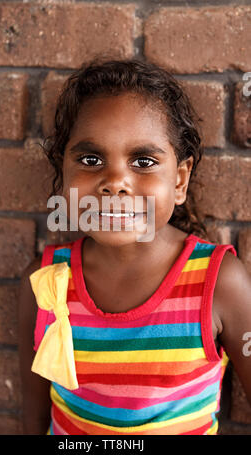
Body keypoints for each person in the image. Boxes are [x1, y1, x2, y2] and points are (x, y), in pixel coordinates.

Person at [18, 58, 251, 435]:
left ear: (179, 180)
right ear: (63, 175)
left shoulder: (219, 283)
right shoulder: (46, 282)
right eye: (91, 159)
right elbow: (32, 416)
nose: (115, 182)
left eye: (143, 161)